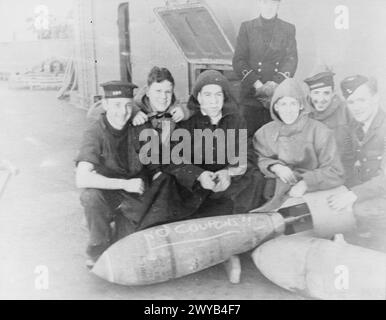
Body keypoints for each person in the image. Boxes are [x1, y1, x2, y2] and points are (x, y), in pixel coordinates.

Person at [75, 81, 199, 268]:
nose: (122, 111)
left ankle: (120, 227)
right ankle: (97, 246)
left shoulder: (139, 126)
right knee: (90, 196)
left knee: (129, 250)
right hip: (109, 193)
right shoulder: (95, 131)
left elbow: (158, 165)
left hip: (136, 197)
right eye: (116, 105)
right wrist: (124, 184)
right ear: (106, 105)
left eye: (127, 105)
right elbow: (82, 178)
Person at [165, 70, 266, 283]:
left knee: (253, 178)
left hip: (225, 184)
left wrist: (227, 172)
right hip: (198, 185)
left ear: (225, 97)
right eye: (207, 95)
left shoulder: (236, 119)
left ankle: (230, 249)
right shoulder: (187, 121)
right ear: (198, 97)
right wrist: (199, 175)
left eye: (218, 95)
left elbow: (245, 155)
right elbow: (175, 160)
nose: (213, 101)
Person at [253, 78, 344, 211]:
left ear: (301, 105)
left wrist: (306, 183)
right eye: (283, 104)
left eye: (293, 104)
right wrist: (274, 166)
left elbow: (335, 171)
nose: (288, 110)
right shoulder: (264, 132)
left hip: (310, 197)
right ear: (275, 107)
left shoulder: (320, 131)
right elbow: (256, 157)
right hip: (274, 195)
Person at [328, 75, 386, 251]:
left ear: (376, 98)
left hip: (379, 195)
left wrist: (351, 195)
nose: (356, 107)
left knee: (358, 210)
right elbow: (346, 163)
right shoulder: (354, 127)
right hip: (364, 191)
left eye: (361, 100)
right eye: (351, 102)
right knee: (319, 206)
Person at [233, 0, 298, 137]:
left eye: (273, 3)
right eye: (265, 2)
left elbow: (291, 60)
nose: (269, 7)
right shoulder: (247, 27)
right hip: (251, 94)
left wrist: (275, 83)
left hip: (276, 95)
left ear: (279, 4)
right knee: (248, 138)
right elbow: (238, 60)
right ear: (259, 3)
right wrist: (258, 85)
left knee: (274, 138)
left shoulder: (288, 29)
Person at [304, 69, 357, 185]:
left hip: (345, 176)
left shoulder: (346, 111)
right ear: (310, 94)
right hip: (314, 178)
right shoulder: (303, 115)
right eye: (316, 93)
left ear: (333, 93)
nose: (321, 99)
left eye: (326, 93)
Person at [131, 66, 193, 132]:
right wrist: (132, 113)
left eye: (168, 92)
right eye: (158, 91)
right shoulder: (134, 108)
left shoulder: (175, 107)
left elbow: (195, 107)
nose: (164, 96)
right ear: (148, 92)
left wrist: (185, 111)